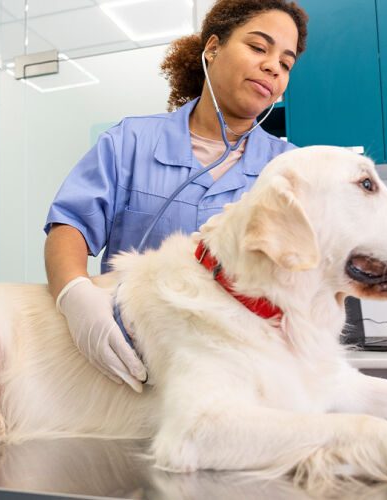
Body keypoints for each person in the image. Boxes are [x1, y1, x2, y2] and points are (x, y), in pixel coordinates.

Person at [44, 0, 308, 392]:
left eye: (285, 63)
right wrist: (75, 297)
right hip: (127, 361)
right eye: (258, 47)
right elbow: (70, 226)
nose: (273, 67)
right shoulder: (129, 141)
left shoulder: (290, 168)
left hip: (239, 374)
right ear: (213, 48)